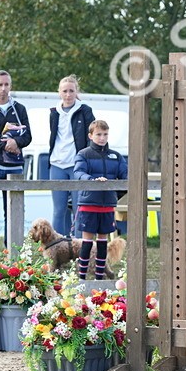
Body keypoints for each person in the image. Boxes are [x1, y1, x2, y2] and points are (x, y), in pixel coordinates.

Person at [0, 70, 32, 263]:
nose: (3, 88)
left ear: (11, 86)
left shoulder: (19, 109)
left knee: (13, 211)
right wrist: (5, 144)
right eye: (0, 85)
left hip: (14, 167)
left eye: (7, 85)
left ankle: (12, 250)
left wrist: (17, 142)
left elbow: (28, 137)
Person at [73, 119, 128, 280]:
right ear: (90, 136)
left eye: (105, 134)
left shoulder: (116, 156)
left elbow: (124, 174)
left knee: (103, 240)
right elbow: (78, 172)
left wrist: (123, 183)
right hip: (88, 203)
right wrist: (91, 180)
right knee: (87, 241)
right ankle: (81, 278)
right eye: (98, 134)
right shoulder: (83, 154)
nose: (102, 138)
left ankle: (99, 278)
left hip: (107, 204)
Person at [48, 75, 95, 238]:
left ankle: (79, 248)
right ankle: (56, 246)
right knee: (59, 209)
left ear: (77, 92)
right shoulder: (54, 112)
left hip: (77, 166)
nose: (68, 95)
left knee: (79, 208)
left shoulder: (85, 111)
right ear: (59, 92)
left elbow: (93, 136)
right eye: (65, 91)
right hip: (56, 164)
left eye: (71, 91)